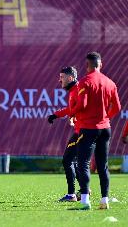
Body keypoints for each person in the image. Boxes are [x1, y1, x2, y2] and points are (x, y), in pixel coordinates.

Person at [70, 52, 121, 210]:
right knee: (103, 165)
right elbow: (117, 107)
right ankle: (104, 199)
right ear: (101, 65)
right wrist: (106, 118)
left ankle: (85, 201)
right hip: (105, 128)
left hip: (88, 128)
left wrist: (72, 113)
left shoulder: (84, 82)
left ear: (87, 65)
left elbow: (82, 104)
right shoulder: (110, 82)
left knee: (83, 164)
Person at [47, 66, 81, 202]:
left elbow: (79, 107)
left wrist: (68, 115)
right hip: (82, 129)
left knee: (68, 160)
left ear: (70, 78)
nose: (59, 80)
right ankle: (84, 190)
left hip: (83, 130)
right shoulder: (74, 90)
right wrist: (56, 115)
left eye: (62, 77)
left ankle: (72, 194)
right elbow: (72, 109)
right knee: (76, 162)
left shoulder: (78, 89)